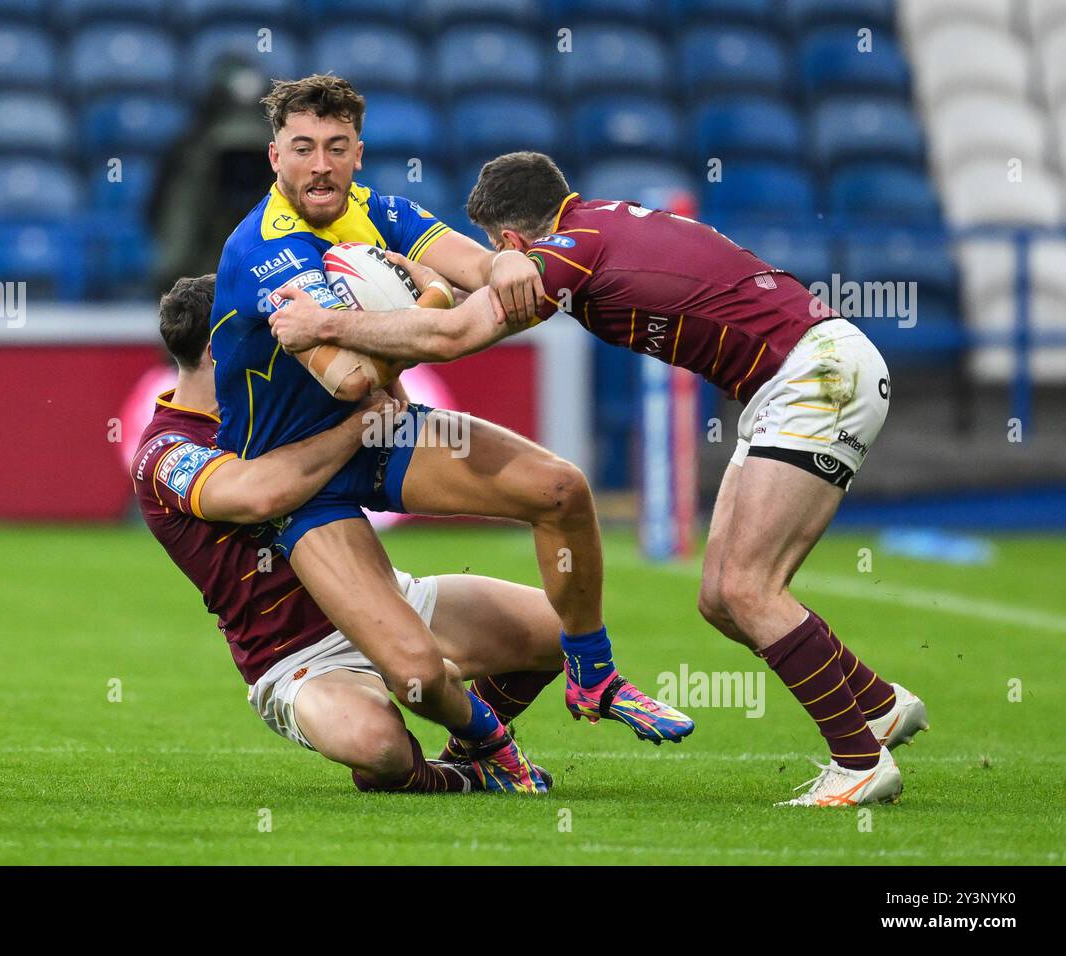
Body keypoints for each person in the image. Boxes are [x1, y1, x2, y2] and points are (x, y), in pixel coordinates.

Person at [268, 151, 930, 808]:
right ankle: (874, 707)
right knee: (720, 599)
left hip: (812, 378)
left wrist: (322, 324)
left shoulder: (566, 252)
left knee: (746, 589)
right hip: (804, 375)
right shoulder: (592, 230)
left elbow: (453, 337)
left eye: (496, 251)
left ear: (510, 242)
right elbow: (460, 311)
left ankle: (858, 763)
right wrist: (424, 284)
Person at [208, 75, 695, 768]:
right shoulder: (264, 248)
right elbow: (350, 377)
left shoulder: (383, 210)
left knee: (560, 490)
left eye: (337, 147)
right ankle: (488, 748)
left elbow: (481, 264)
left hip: (383, 432)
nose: (321, 164)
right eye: (304, 148)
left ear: (357, 153)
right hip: (301, 478)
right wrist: (437, 295)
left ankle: (594, 674)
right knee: (415, 673)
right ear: (274, 158)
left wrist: (506, 261)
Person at [133, 275, 562, 793]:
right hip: (297, 656)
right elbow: (258, 495)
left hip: (389, 599)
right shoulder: (166, 451)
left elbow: (390, 397)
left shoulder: (282, 396)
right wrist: (356, 427)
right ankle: (451, 780)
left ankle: (471, 752)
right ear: (217, 346)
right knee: (378, 748)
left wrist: (416, 297)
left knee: (561, 633)